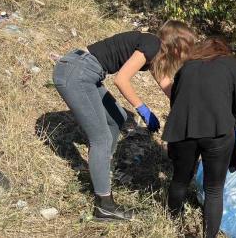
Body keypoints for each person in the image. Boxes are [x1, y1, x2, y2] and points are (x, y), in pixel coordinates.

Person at [52, 20, 196, 221]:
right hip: (77, 72)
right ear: (177, 44)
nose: (187, 55)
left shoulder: (155, 52)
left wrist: (190, 108)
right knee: (100, 139)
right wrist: (142, 108)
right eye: (187, 49)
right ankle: (105, 207)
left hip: (83, 71)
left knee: (116, 118)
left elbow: (167, 86)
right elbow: (121, 79)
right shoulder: (152, 43)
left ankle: (102, 170)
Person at [163, 38, 236, 238]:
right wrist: (235, 121)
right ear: (224, 51)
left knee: (179, 181)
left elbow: (175, 101)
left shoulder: (186, 67)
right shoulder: (233, 65)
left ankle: (173, 226)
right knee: (213, 189)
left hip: (183, 130)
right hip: (218, 132)